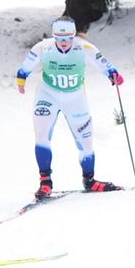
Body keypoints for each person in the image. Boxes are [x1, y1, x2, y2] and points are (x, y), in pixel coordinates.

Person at [15, 17, 125, 198]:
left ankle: (89, 180)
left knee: (86, 142)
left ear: (74, 36)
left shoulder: (84, 47)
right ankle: (45, 183)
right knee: (42, 136)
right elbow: (25, 68)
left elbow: (103, 64)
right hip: (47, 95)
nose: (64, 42)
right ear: (54, 36)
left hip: (75, 99)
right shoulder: (44, 47)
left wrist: (113, 74)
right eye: (60, 38)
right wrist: (21, 80)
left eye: (68, 38)